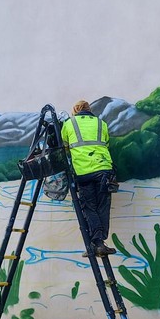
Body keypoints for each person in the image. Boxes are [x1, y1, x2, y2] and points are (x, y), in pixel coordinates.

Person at [61, 100, 117, 257]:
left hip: (83, 172)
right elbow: (105, 142)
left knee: (89, 207)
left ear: (75, 110)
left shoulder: (69, 123)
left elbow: (64, 145)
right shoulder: (101, 123)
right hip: (104, 170)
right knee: (103, 207)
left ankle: (96, 243)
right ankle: (100, 243)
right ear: (89, 109)